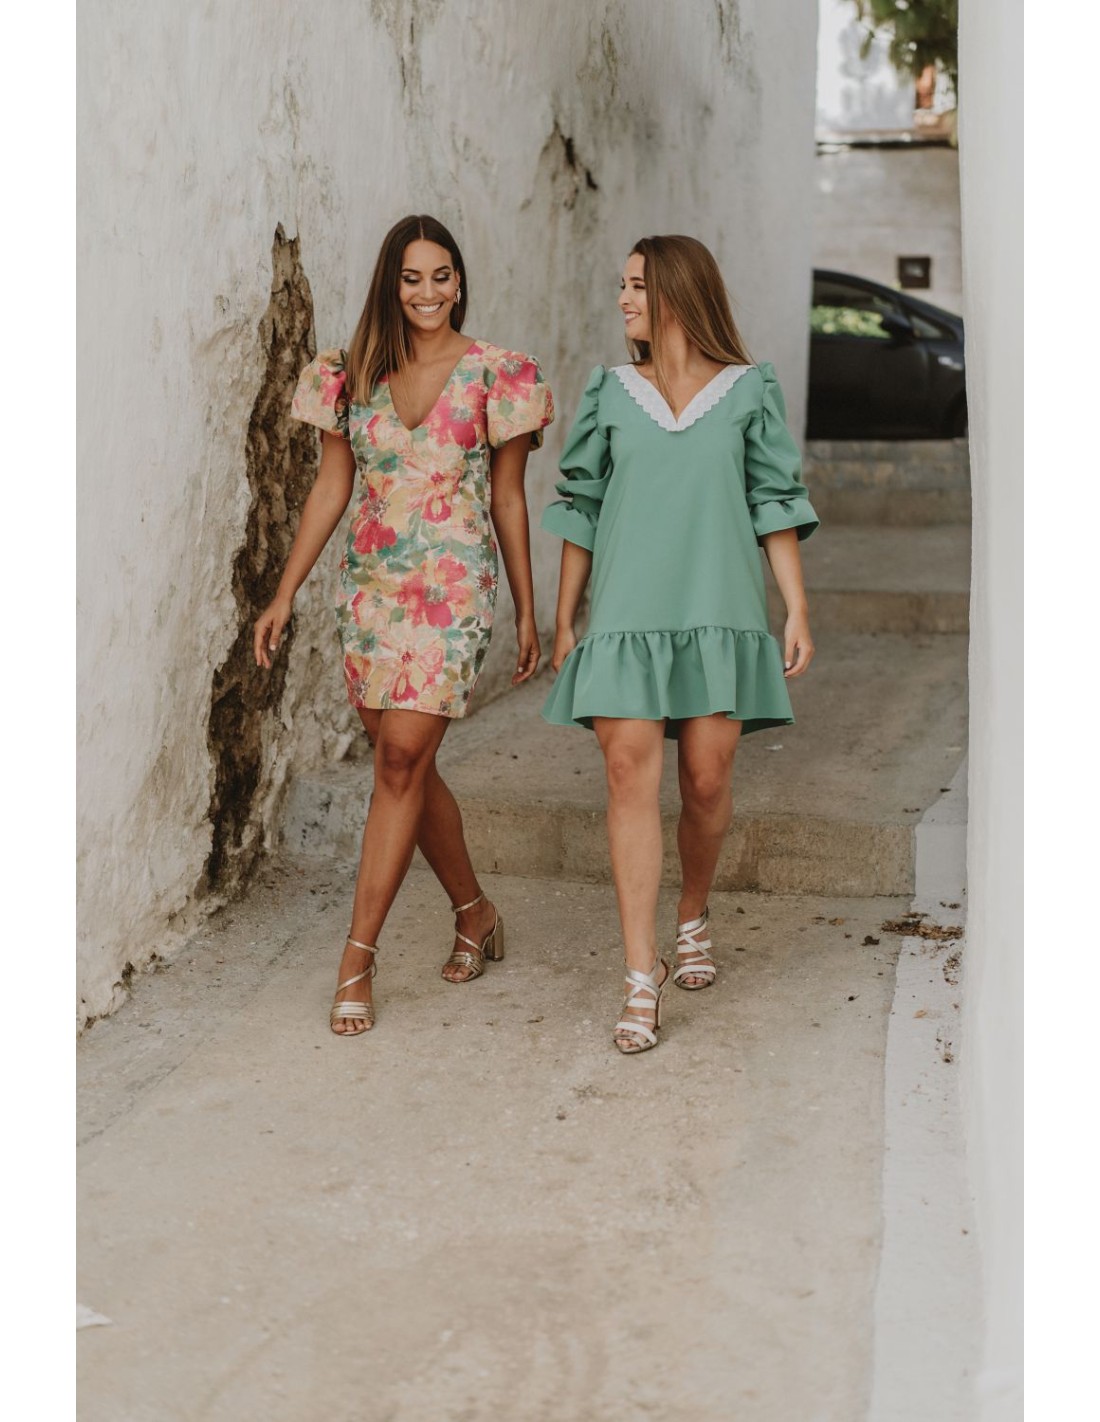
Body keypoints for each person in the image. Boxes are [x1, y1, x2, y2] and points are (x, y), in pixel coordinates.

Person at [255, 214, 553, 1036]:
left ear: (459, 282)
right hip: (371, 593)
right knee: (407, 769)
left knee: (397, 761)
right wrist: (284, 593)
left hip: (454, 592)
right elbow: (331, 488)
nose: (428, 292)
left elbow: (507, 498)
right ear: (392, 283)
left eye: (442, 276)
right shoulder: (348, 374)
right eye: (412, 277)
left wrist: (527, 606)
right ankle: (475, 911)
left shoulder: (500, 374)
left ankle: (356, 959)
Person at [541, 234, 817, 1054]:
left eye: (637, 284)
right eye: (622, 284)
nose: (623, 298)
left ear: (676, 292)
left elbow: (773, 501)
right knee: (628, 774)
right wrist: (565, 618)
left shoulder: (747, 389)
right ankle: (640, 974)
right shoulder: (608, 390)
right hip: (626, 616)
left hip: (719, 609)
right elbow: (582, 509)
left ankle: (692, 914)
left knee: (705, 780)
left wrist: (796, 608)